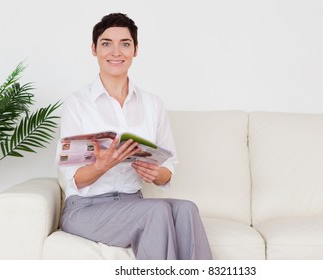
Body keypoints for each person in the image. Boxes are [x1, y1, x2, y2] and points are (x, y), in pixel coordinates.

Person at [58, 12, 212, 260]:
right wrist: (101, 166)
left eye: (125, 44)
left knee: (186, 209)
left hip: (133, 202)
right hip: (86, 209)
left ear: (135, 50)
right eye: (106, 43)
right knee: (156, 211)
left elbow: (167, 167)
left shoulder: (152, 104)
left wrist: (156, 173)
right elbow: (75, 179)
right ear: (94, 49)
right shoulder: (78, 104)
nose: (116, 52)